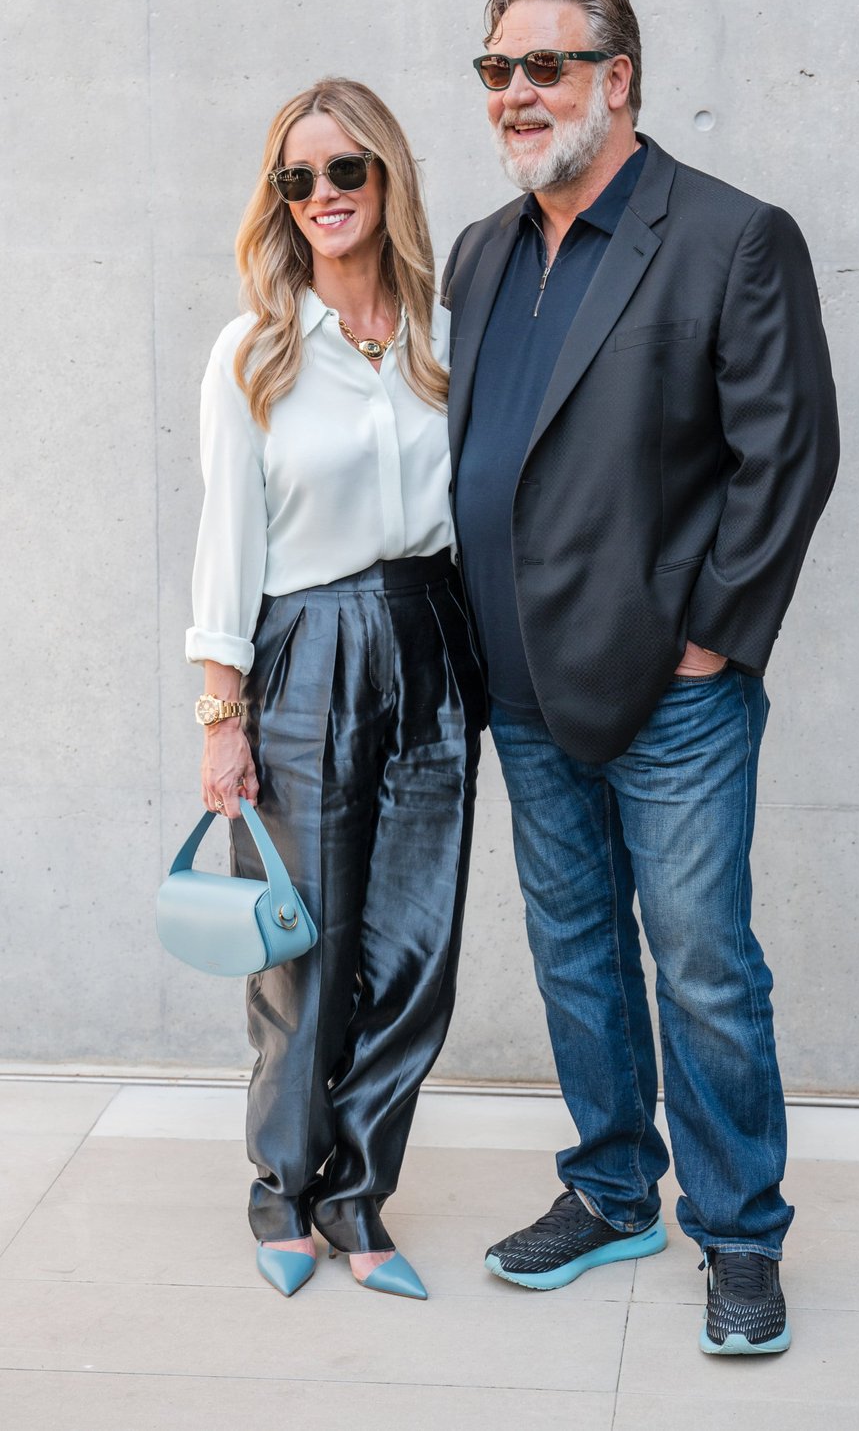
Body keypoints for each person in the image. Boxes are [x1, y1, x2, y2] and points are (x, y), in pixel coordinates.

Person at [443, 0, 839, 1353]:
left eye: (545, 67)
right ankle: (613, 1189)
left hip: (674, 695)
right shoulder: (482, 252)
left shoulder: (730, 236)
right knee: (575, 952)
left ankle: (740, 1233)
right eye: (496, 70)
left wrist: (710, 642)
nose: (516, 94)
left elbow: (787, 453)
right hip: (520, 684)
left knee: (702, 963)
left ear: (618, 78)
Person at [186, 77, 483, 1301]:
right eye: (297, 178)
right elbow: (227, 543)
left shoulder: (447, 335)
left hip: (434, 639)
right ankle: (283, 1188)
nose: (323, 195)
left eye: (345, 170)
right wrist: (223, 716)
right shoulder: (254, 349)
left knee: (417, 946)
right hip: (304, 645)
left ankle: (360, 1196)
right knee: (302, 945)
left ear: (387, 176)